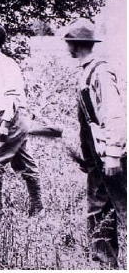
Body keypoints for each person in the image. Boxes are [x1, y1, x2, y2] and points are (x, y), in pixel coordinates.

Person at [63, 19, 126, 268]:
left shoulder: (99, 72)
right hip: (98, 155)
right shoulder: (86, 71)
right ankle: (106, 263)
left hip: (113, 155)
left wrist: (112, 154)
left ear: (73, 43)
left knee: (123, 207)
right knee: (98, 208)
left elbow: (114, 114)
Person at [0, 24, 43, 217]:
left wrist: (5, 125)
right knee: (24, 161)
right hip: (8, 118)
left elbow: (13, 98)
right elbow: (0, 101)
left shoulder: (7, 64)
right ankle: (37, 207)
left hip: (13, 118)